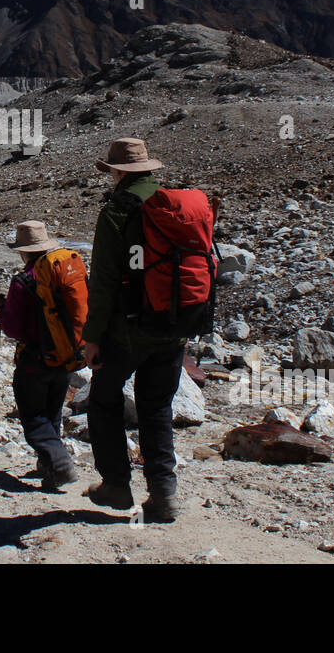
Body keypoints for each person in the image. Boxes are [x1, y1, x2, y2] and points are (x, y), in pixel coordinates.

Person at [82, 137, 185, 523]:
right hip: (174, 326)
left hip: (127, 330)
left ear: (117, 171)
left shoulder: (116, 211)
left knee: (105, 402)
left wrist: (92, 336)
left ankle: (116, 485)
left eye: (110, 171)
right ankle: (164, 495)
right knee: (157, 407)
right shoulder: (175, 203)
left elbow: (105, 282)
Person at [0, 221, 83, 491]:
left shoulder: (23, 282)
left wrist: (0, 310)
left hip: (34, 360)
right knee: (52, 412)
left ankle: (61, 465)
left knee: (33, 418)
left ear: (24, 252)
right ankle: (48, 469)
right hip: (66, 356)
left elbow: (13, 328)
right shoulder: (64, 273)